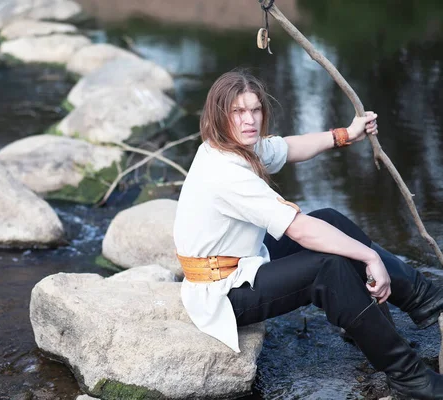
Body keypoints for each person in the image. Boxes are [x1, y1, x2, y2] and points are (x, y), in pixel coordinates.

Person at [173, 68, 443, 399]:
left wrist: (346, 134)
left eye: (255, 109)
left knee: (329, 218)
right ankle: (410, 379)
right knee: (327, 268)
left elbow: (287, 147)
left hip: (244, 262)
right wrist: (369, 256)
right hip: (223, 293)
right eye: (238, 112)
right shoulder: (226, 173)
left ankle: (425, 301)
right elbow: (300, 230)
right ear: (219, 115)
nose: (250, 120)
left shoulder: (233, 145)